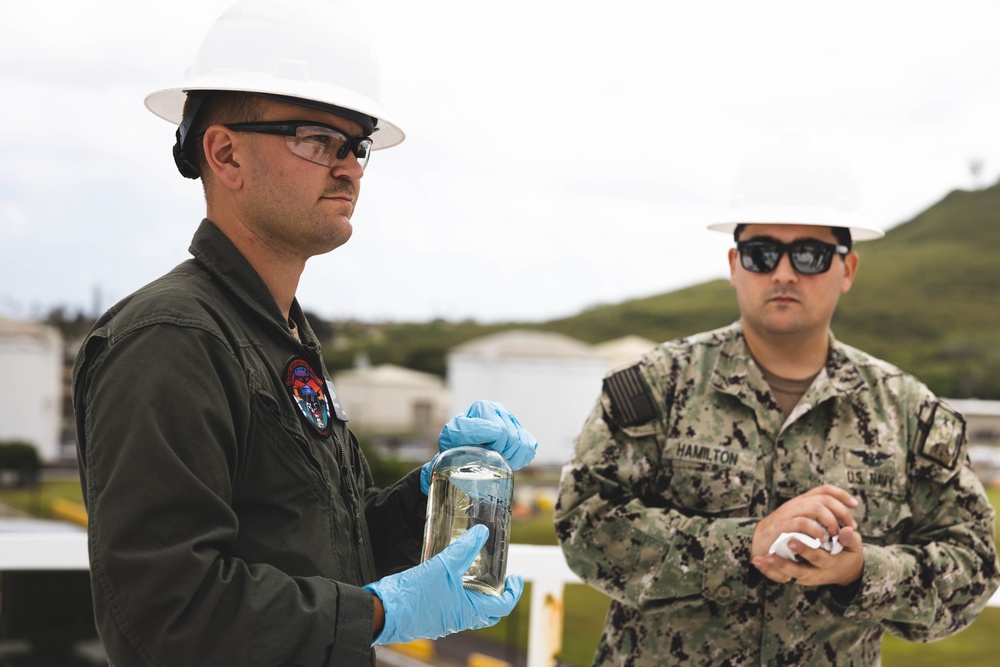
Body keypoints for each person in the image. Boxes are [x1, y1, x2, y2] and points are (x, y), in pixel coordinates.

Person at [71, 1, 537, 665]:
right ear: (225, 152)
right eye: (317, 139)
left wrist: (434, 494)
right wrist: (382, 611)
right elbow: (166, 612)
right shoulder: (171, 340)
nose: (349, 167)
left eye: (358, 145)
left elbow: (328, 547)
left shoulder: (277, 335)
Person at [554, 131, 1000, 665]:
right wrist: (744, 545)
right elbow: (586, 522)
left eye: (809, 254)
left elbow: (974, 563)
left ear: (847, 269)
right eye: (762, 252)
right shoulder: (655, 387)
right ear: (734, 263)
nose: (784, 272)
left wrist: (862, 571)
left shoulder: (908, 413)